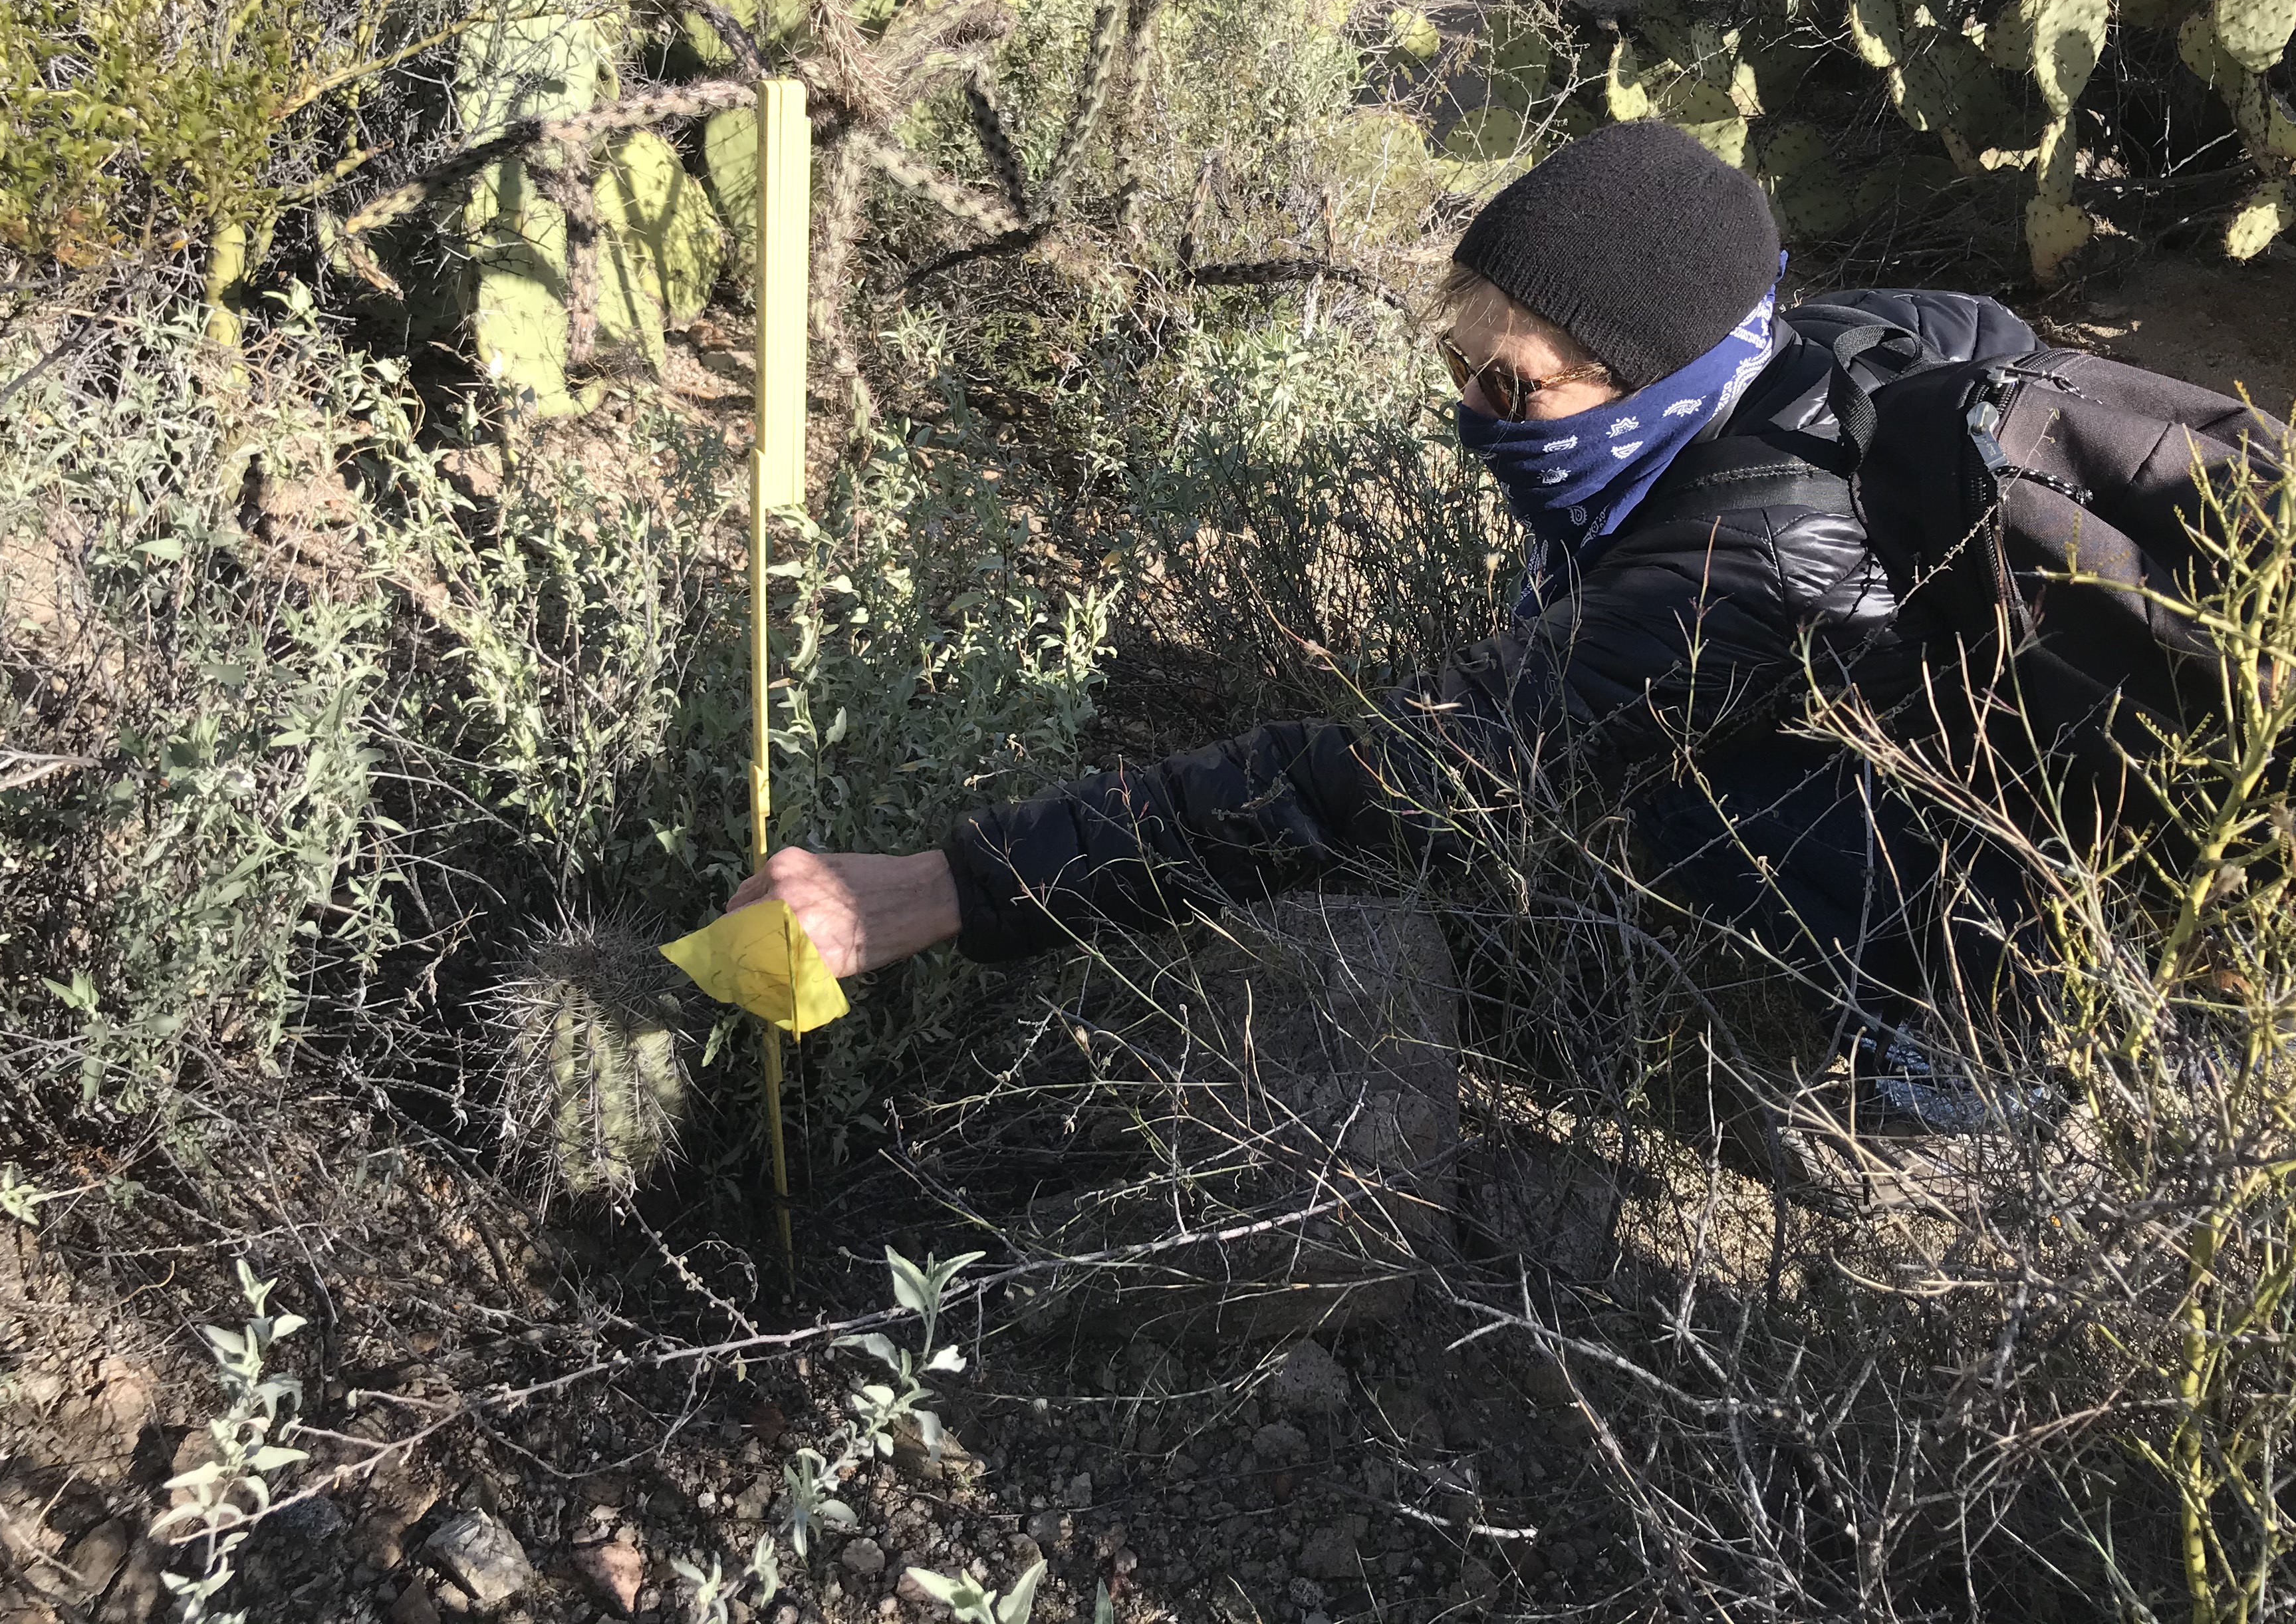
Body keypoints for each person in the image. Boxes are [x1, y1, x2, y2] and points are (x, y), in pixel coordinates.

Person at [724, 122, 2042, 1054]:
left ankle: (1975, 1042)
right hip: (1970, 764)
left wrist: (949, 888)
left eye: (1510, 385)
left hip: (2065, 908)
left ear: (1659, 378)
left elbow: (1376, 782)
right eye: (1454, 363)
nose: (1469, 415)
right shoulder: (1795, 357)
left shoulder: (1744, 571)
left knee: (1699, 791)